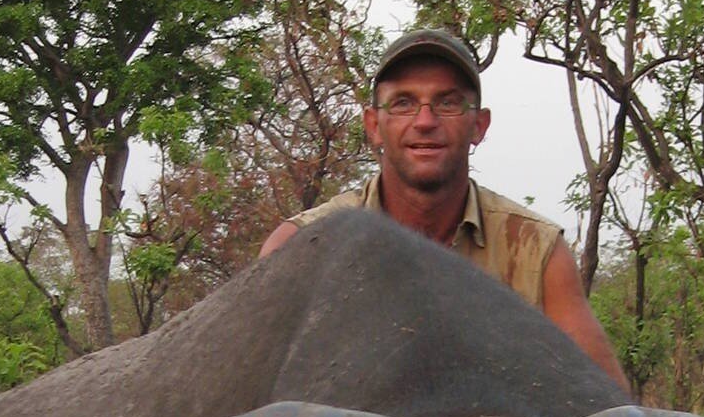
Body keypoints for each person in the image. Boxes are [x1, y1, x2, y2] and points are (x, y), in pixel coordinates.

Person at [258, 27, 631, 390]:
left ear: (479, 126)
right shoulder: (299, 247)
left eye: (447, 103)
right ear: (373, 125)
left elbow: (609, 413)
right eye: (403, 103)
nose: (425, 122)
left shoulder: (538, 252)